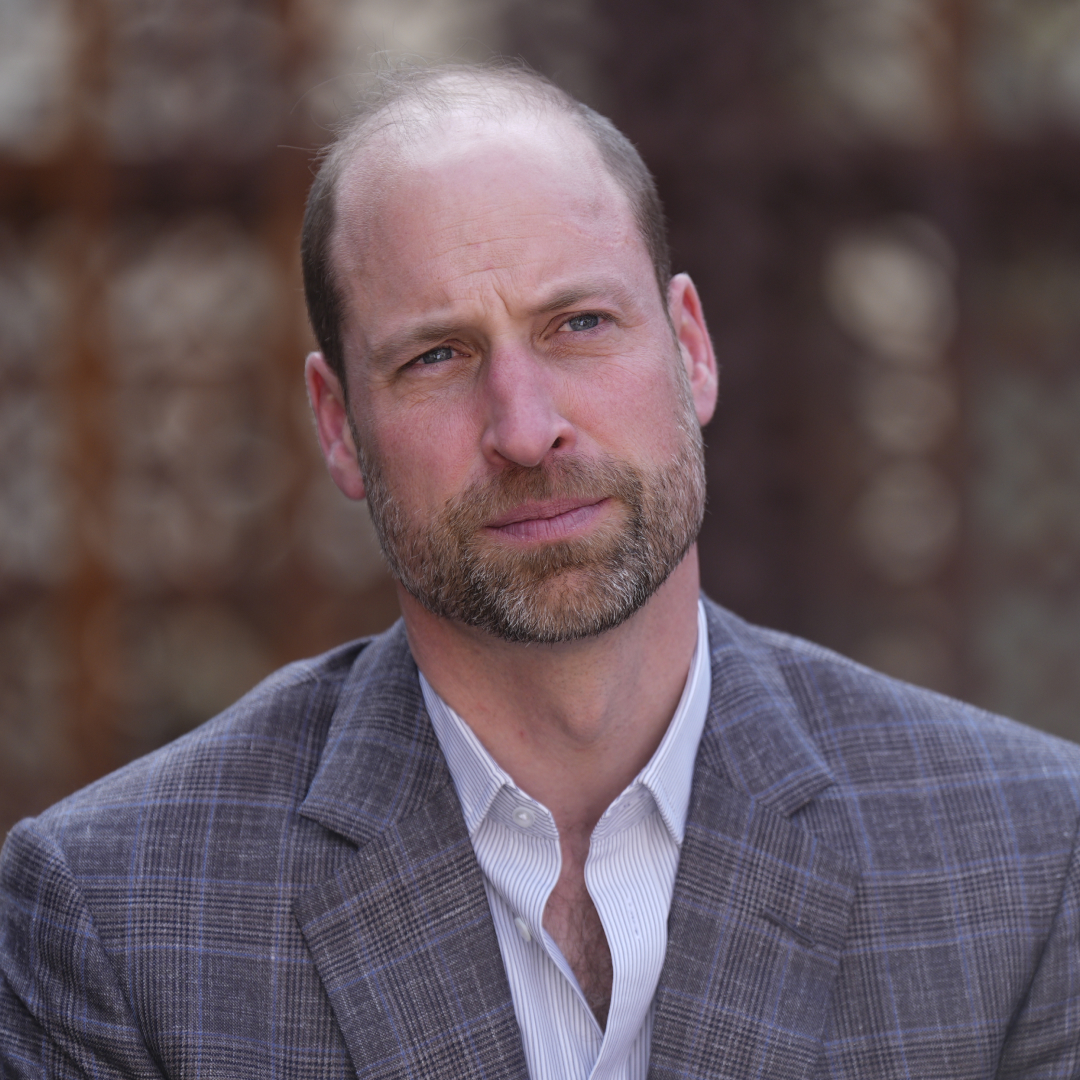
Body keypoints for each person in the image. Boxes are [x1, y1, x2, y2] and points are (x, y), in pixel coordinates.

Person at [2, 63, 1079, 1080]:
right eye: (437, 357)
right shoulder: (116, 913)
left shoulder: (1027, 860)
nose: (525, 429)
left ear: (690, 350)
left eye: (579, 324)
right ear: (338, 426)